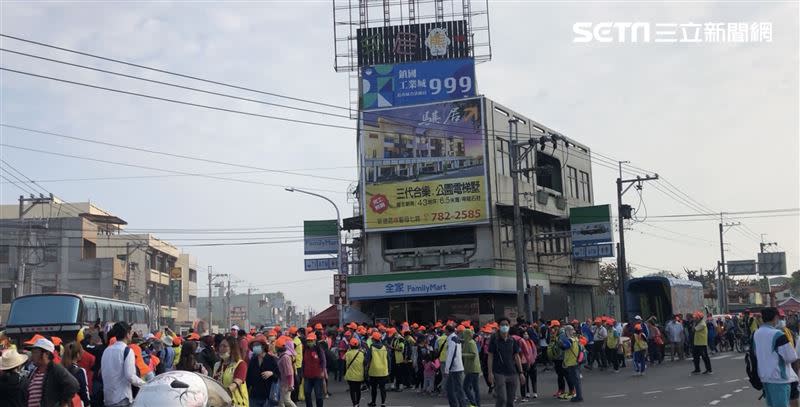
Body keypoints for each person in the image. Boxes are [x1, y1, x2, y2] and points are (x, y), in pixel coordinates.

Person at [756, 307, 799, 407]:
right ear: (775, 317)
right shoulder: (778, 334)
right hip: (779, 378)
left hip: (764, 377)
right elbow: (791, 357)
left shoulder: (756, 334)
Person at [101, 322, 145, 407]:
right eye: (131, 332)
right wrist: (145, 384)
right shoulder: (127, 351)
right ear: (127, 334)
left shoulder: (107, 350)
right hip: (122, 399)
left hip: (108, 398)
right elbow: (130, 376)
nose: (132, 335)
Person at [26, 337, 80, 407]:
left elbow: (74, 385)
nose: (32, 355)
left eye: (35, 352)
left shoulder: (55, 369)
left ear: (46, 354)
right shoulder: (34, 372)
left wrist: (63, 402)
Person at [487, 318, 524, 407]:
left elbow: (516, 356)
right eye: (502, 325)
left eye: (506, 325)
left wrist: (521, 373)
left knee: (510, 401)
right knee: (502, 398)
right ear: (499, 327)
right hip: (499, 373)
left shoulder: (512, 340)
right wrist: (490, 373)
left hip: (512, 373)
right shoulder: (494, 340)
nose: (505, 326)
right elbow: (490, 356)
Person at [213, 336, 249, 407]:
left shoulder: (240, 364)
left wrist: (224, 392)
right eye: (220, 346)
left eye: (225, 346)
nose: (221, 349)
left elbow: (236, 383)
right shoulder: (217, 365)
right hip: (221, 403)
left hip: (237, 404)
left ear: (232, 349)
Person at [246, 335, 279, 407]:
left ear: (263, 346)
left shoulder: (271, 359)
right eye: (253, 346)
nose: (255, 347)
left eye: (257, 345)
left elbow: (278, 375)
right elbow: (248, 377)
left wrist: (271, 373)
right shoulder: (253, 360)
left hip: (267, 395)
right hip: (254, 396)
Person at [443, 324, 467, 407]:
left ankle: (457, 405)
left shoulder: (452, 340)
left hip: (454, 368)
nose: (444, 331)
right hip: (457, 367)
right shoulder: (455, 338)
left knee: (453, 389)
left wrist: (447, 369)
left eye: (445, 330)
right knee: (455, 389)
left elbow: (451, 355)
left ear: (448, 331)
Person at [63, 341, 91, 407]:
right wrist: (87, 404)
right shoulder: (80, 371)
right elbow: (84, 392)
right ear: (78, 354)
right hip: (76, 403)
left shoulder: (60, 370)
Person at [302, 333, 326, 407]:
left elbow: (323, 361)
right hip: (307, 376)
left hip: (317, 376)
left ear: (315, 341)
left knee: (318, 395)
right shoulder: (305, 349)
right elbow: (303, 362)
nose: (309, 342)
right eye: (308, 341)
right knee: (307, 394)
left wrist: (322, 371)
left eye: (311, 341)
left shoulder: (319, 349)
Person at [366, 331, 390, 407]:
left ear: (373, 339)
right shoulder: (384, 347)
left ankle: (373, 402)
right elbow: (388, 359)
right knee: (383, 388)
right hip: (383, 371)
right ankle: (383, 403)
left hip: (374, 371)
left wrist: (366, 368)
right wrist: (389, 369)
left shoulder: (372, 347)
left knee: (374, 388)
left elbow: (367, 359)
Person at [561, 326, 583, 403]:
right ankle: (579, 395)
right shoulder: (576, 339)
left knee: (575, 381)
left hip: (571, 362)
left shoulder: (569, 340)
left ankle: (579, 396)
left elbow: (565, 347)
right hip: (576, 361)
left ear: (567, 331)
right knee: (577, 380)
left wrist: (561, 343)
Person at [461, 328, 481, 407]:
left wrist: (462, 354)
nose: (463, 335)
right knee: (469, 387)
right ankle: (474, 403)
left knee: (472, 388)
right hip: (470, 368)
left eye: (464, 334)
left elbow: (473, 355)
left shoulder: (471, 343)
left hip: (473, 369)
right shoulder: (467, 342)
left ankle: (475, 403)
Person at [275, 336, 298, 407]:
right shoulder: (283, 356)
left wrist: (290, 385)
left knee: (287, 400)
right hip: (284, 382)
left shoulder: (285, 357)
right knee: (281, 402)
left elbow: (289, 372)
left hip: (286, 383)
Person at [344, 338, 366, 407]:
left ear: (350, 345)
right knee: (358, 389)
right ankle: (358, 403)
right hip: (360, 375)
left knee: (352, 390)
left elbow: (344, 360)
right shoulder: (362, 353)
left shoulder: (347, 354)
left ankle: (354, 404)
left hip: (350, 376)